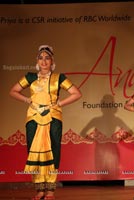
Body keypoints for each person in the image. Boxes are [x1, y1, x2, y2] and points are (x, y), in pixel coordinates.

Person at [9, 45, 82, 200]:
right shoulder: (30, 77)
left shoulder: (59, 78)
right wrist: (28, 100)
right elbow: (13, 91)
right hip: (33, 117)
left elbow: (77, 93)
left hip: (53, 118)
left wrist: (59, 104)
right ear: (37, 61)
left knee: (53, 151)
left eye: (47, 58)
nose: (44, 61)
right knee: (34, 152)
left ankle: (50, 190)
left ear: (52, 61)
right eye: (41, 58)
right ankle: (39, 189)